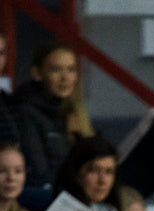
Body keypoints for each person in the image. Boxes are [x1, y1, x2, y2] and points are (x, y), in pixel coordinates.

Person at [12, 41, 94, 199]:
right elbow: (40, 174)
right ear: (37, 73)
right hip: (49, 196)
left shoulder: (74, 114)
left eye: (70, 69)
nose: (65, 78)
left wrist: (80, 138)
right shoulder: (25, 112)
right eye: (56, 70)